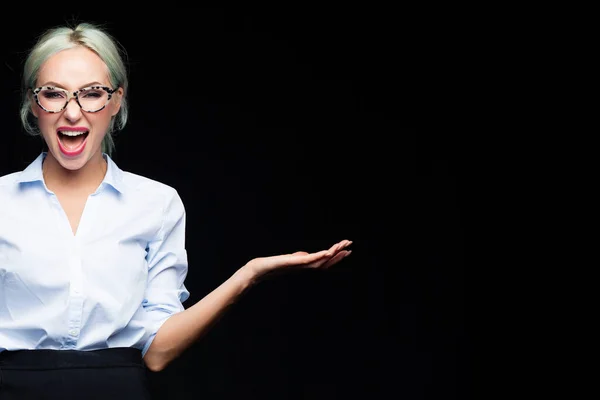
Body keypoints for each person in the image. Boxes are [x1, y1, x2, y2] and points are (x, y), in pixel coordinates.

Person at [0, 21, 352, 399]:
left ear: (116, 101)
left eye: (92, 94)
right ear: (33, 104)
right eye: (54, 94)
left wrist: (248, 275)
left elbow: (158, 353)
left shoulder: (157, 204)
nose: (73, 113)